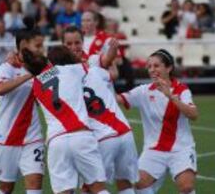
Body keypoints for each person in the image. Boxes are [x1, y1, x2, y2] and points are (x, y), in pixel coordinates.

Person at [21, 46, 110, 194]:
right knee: (98, 189)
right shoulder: (71, 69)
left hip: (57, 141)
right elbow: (88, 67)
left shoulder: (36, 84)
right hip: (81, 136)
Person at [62, 26, 139, 194]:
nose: (74, 46)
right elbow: (108, 65)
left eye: (77, 42)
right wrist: (112, 51)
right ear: (63, 45)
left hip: (102, 137)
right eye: (69, 43)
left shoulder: (88, 64)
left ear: (83, 43)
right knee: (124, 184)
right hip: (124, 131)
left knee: (90, 188)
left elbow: (106, 60)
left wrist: (112, 49)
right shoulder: (93, 67)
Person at [117, 49, 199, 194]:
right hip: (154, 150)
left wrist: (171, 96)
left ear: (168, 68)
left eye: (156, 66)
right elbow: (117, 99)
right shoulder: (143, 91)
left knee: (186, 186)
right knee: (139, 184)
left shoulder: (181, 89)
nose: (152, 70)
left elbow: (193, 115)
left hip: (181, 148)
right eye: (149, 67)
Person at [0, 29, 45, 194]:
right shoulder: (6, 67)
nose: (41, 49)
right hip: (6, 137)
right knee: (6, 187)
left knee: (35, 183)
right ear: (23, 46)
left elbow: (60, 79)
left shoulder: (44, 67)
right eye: (38, 45)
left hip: (33, 137)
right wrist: (29, 75)